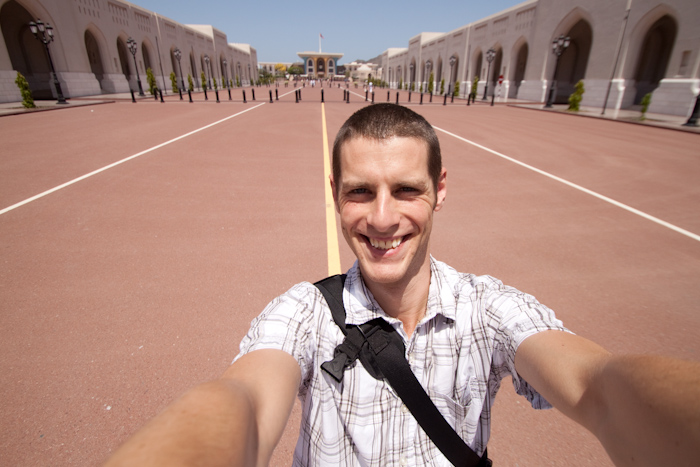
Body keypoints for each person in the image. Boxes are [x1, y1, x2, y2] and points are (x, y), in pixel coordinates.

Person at [105, 104, 700, 467]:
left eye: (406, 190)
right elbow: (247, 405)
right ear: (334, 193)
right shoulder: (303, 314)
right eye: (360, 191)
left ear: (440, 189)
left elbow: (599, 388)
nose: (383, 218)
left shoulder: (488, 308)